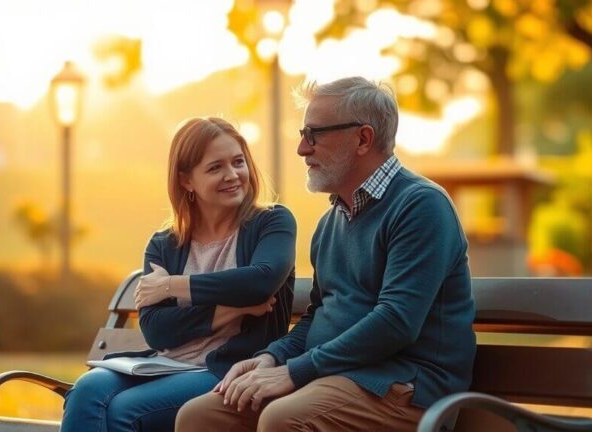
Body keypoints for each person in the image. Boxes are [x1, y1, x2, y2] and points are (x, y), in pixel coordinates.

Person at [176, 77, 476, 431]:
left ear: (363, 139)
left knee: (281, 419)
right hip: (337, 376)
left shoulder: (421, 206)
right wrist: (274, 357)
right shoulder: (331, 221)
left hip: (405, 387)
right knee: (200, 416)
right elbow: (320, 313)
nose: (302, 148)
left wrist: (297, 370)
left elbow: (396, 321)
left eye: (314, 134)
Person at [60, 117, 296, 432]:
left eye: (238, 162)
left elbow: (260, 282)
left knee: (124, 411)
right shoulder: (164, 244)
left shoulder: (272, 222)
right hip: (159, 365)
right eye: (215, 168)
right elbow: (158, 331)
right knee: (86, 391)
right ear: (186, 181)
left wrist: (173, 286)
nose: (232, 175)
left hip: (228, 371)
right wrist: (230, 310)